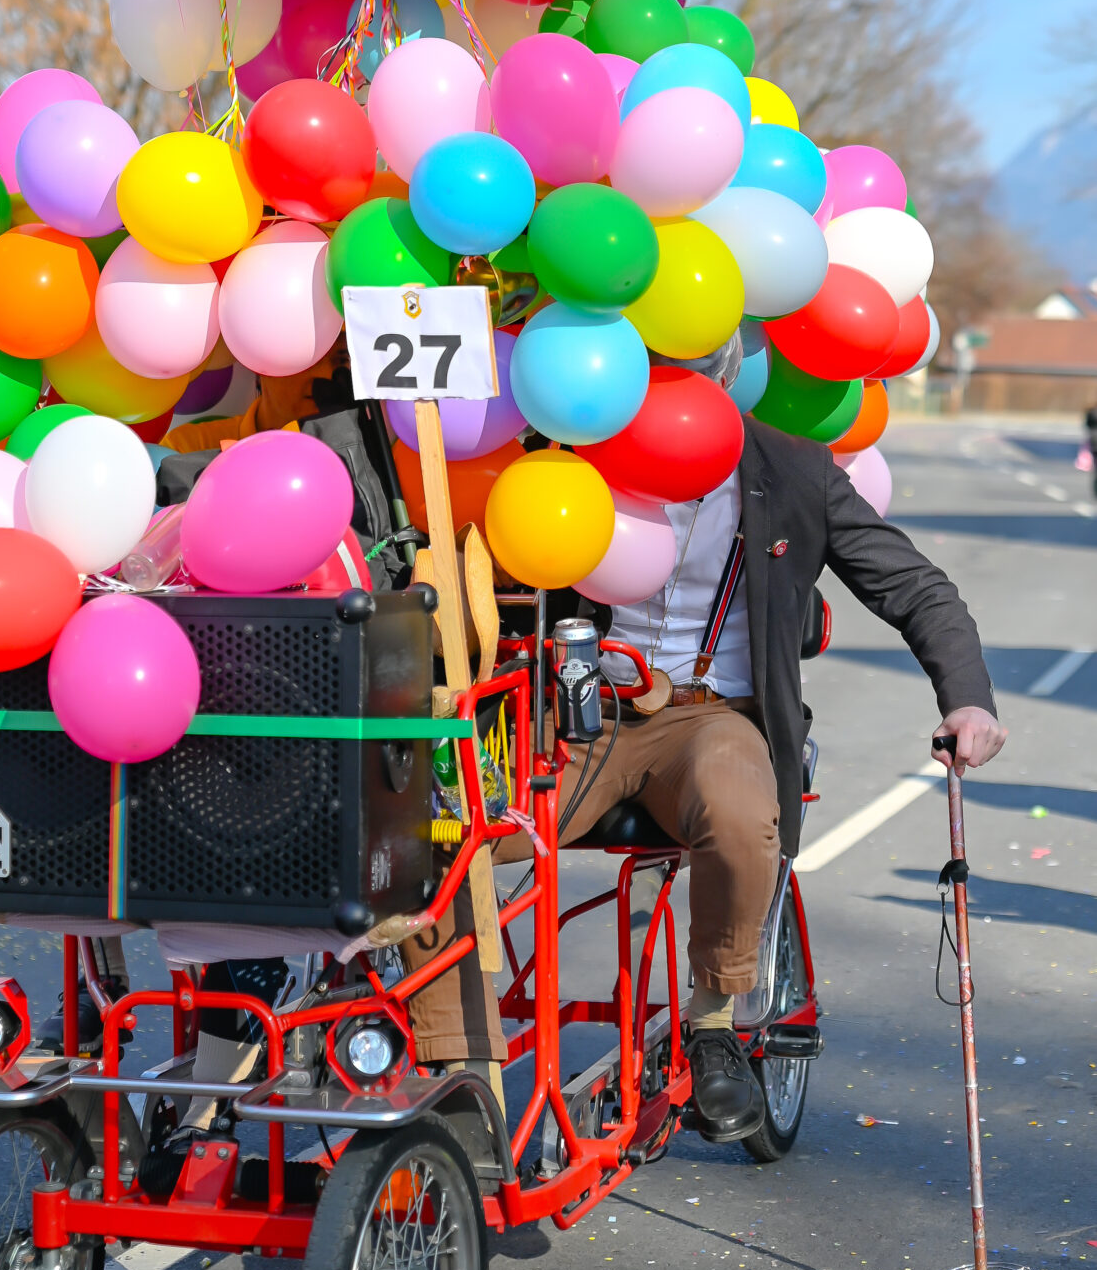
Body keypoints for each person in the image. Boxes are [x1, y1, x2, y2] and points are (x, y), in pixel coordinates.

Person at [402, 375, 1006, 1144]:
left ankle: (714, 1020)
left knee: (739, 809)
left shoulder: (793, 469)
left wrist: (968, 699)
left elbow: (916, 588)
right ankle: (457, 1062)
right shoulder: (562, 455)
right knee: (441, 826)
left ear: (730, 384)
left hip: (713, 714)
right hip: (584, 715)